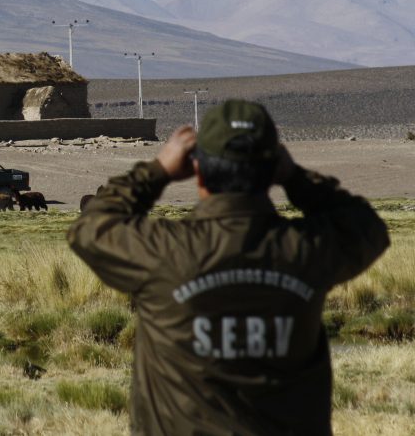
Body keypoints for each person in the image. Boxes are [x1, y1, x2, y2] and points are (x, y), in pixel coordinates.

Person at [68, 100, 389, 435]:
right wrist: (296, 179)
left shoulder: (165, 253)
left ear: (199, 171)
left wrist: (157, 170)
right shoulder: (305, 251)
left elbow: (91, 226)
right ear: (272, 170)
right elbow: (366, 227)